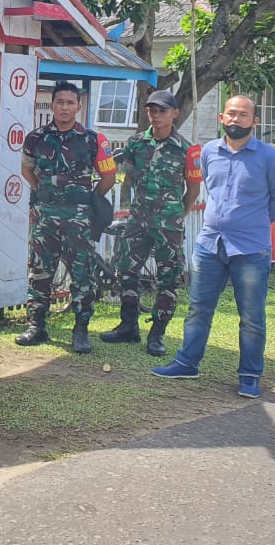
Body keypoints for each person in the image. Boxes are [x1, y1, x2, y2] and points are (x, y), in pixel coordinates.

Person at [153, 95, 275, 398]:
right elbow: (210, 189)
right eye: (231, 114)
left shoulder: (270, 158)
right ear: (220, 118)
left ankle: (250, 375)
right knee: (199, 309)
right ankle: (187, 362)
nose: (236, 119)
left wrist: (249, 223)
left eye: (243, 115)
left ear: (255, 122)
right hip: (210, 244)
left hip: (251, 249)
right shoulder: (208, 152)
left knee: (252, 316)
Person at [99, 90, 202, 356]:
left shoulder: (187, 150)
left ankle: (157, 334)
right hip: (139, 221)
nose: (156, 116)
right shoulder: (136, 145)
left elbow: (193, 189)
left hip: (169, 225)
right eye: (152, 111)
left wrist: (178, 213)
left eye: (162, 111)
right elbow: (129, 180)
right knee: (125, 270)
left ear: (174, 113)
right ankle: (129, 326)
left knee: (168, 278)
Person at [18, 81, 117, 353]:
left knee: (82, 273)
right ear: (52, 105)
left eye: (70, 103)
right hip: (44, 216)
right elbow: (26, 169)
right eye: (60, 102)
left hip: (79, 218)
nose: (65, 108)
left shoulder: (93, 139)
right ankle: (36, 327)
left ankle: (81, 330)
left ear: (79, 106)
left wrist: (90, 198)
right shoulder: (36, 137)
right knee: (40, 271)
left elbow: (109, 176)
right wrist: (41, 192)